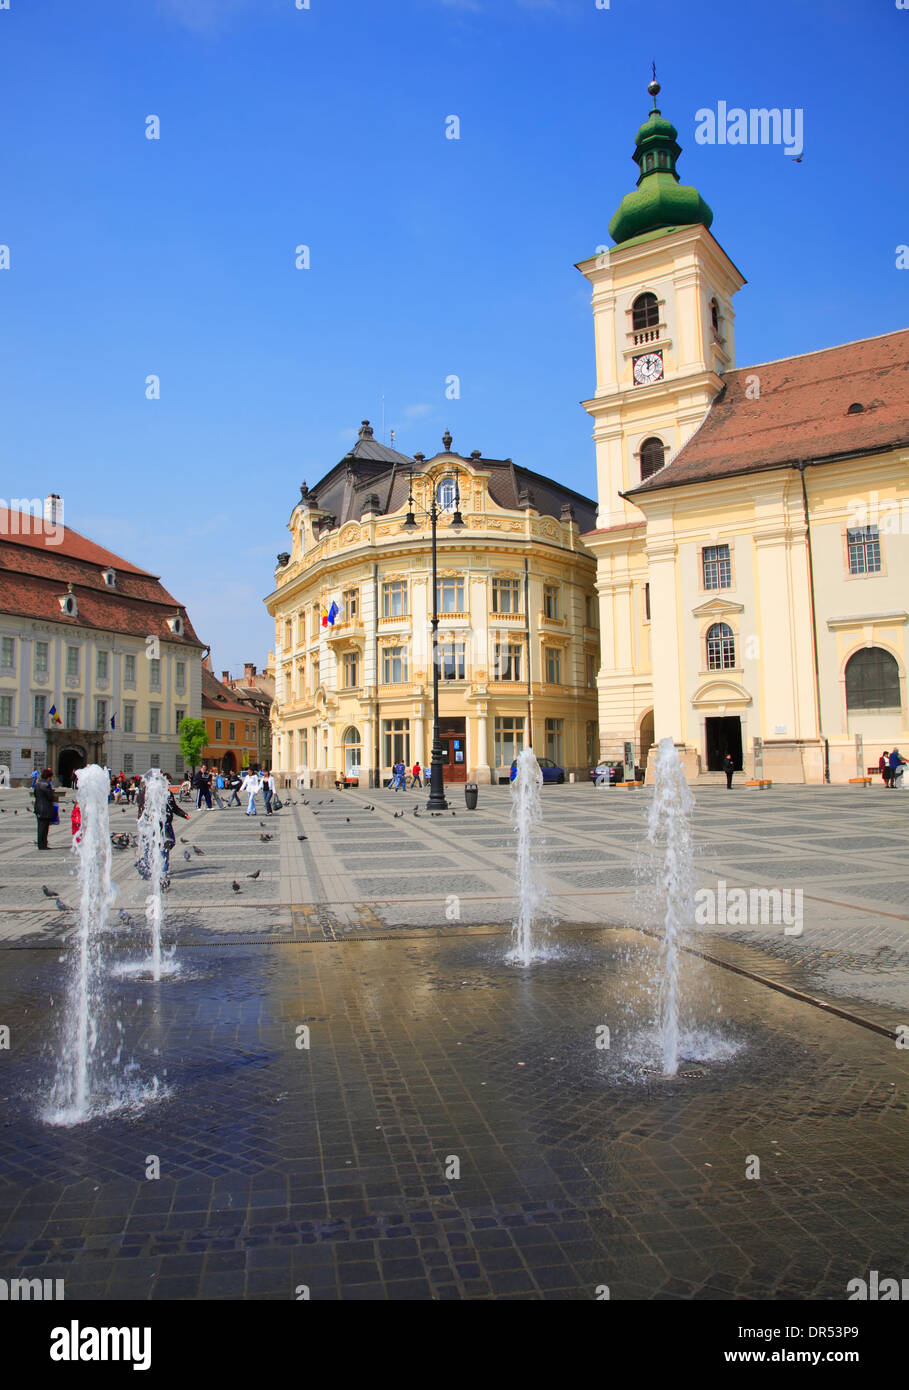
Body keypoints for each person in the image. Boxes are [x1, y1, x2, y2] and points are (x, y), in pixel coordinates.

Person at [137, 785, 189, 886]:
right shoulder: (149, 792)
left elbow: (173, 806)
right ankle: (161, 869)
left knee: (169, 843)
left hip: (167, 824)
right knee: (163, 846)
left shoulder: (167, 793)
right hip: (157, 825)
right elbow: (143, 809)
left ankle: (155, 866)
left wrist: (183, 814)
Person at [33, 768, 58, 850]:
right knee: (44, 828)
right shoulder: (47, 785)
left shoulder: (37, 784)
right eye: (51, 776)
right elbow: (50, 797)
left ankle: (41, 844)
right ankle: (43, 845)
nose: (51, 778)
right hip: (46, 809)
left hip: (38, 808)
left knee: (40, 827)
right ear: (48, 777)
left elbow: (35, 795)